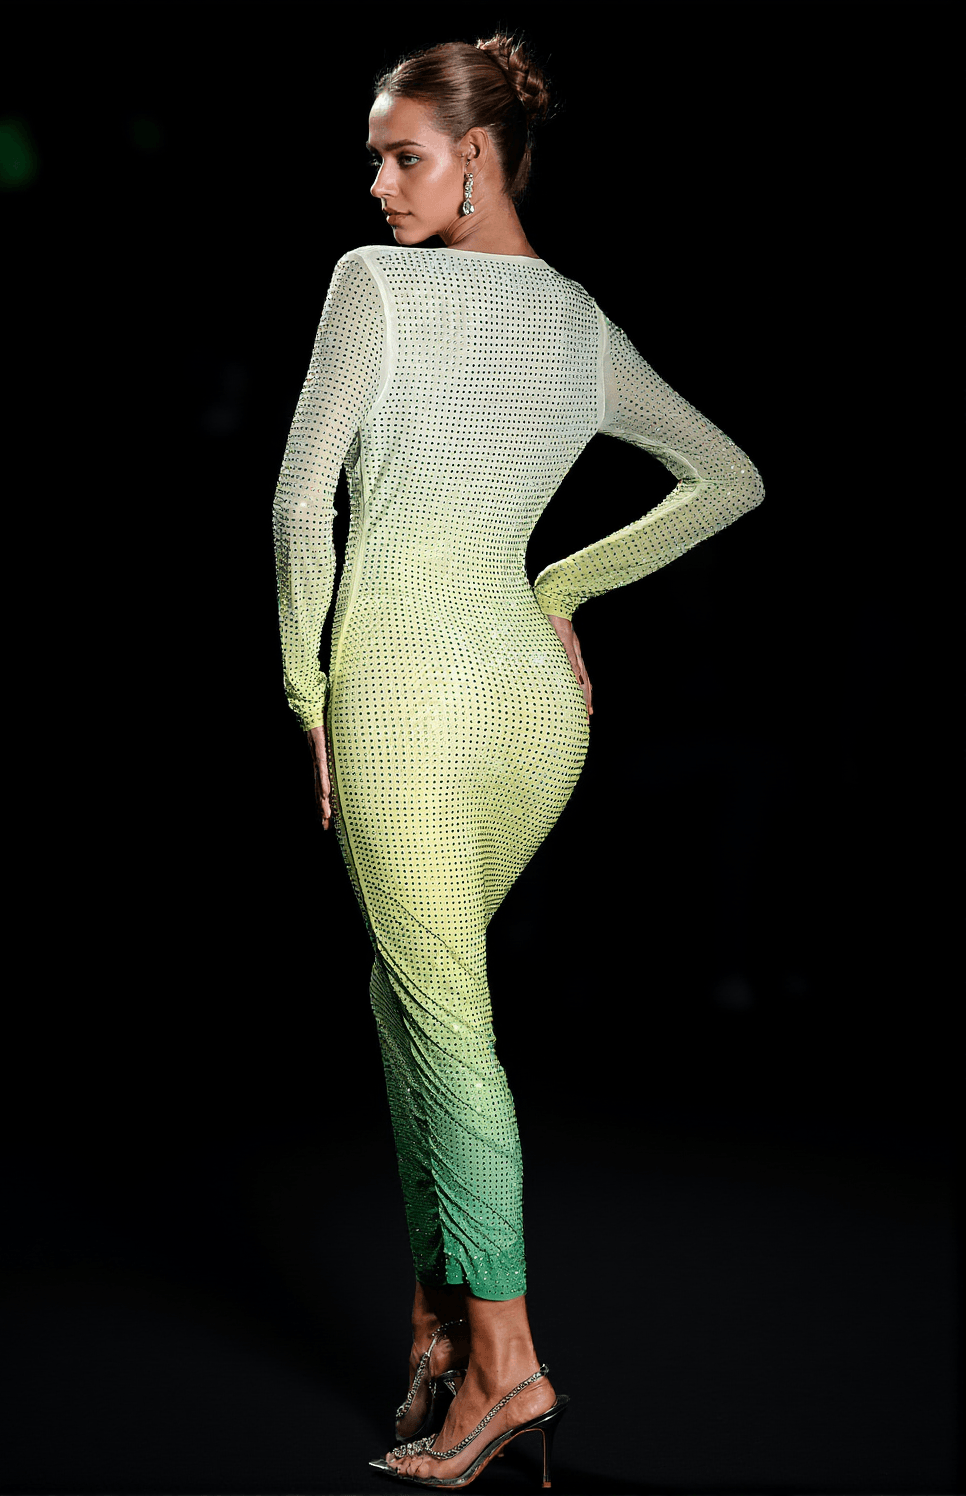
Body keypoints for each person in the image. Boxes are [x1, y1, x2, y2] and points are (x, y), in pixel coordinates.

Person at [272, 34, 765, 1489]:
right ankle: (438, 1311)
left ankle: (507, 1364)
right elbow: (729, 477)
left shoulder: (374, 286)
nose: (378, 185)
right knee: (409, 991)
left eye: (402, 155)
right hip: (535, 712)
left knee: (450, 1020)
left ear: (476, 155)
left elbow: (302, 507)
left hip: (404, 696)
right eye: (376, 159)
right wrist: (559, 588)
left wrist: (306, 692)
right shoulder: (579, 324)